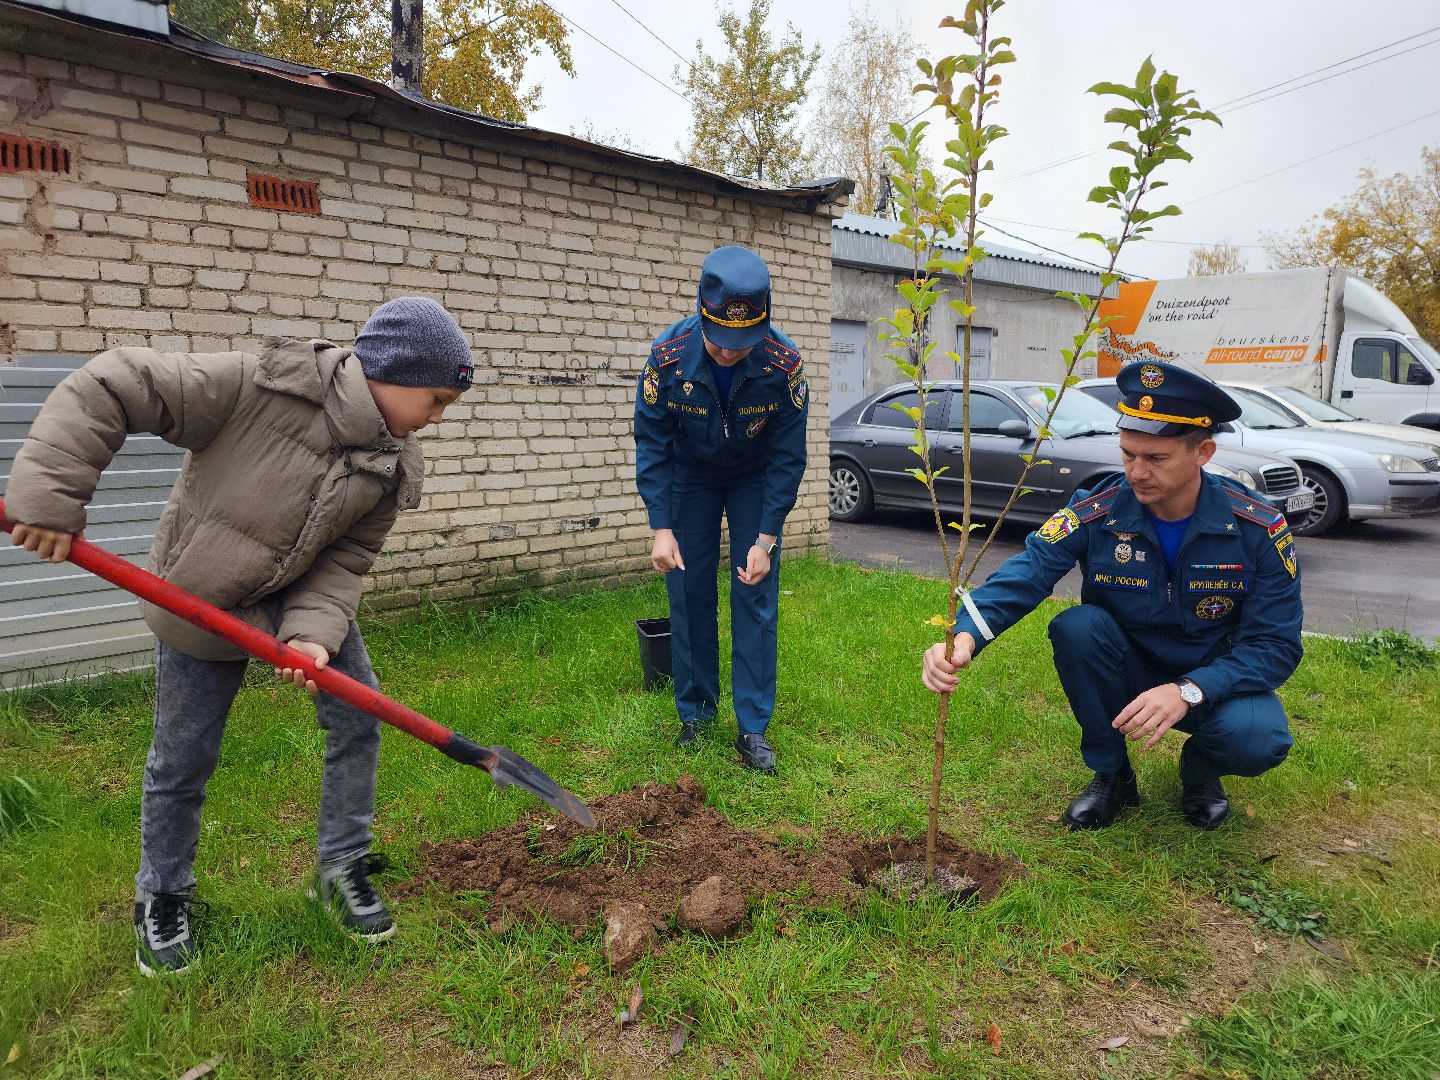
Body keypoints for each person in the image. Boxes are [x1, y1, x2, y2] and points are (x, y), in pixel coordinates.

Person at [6, 297, 473, 974]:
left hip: (298, 598)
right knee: (183, 758)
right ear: (389, 372)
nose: (436, 419)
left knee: (357, 721)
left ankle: (340, 867)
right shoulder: (260, 385)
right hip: (201, 596)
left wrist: (312, 635)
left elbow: (344, 560)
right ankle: (161, 896)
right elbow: (112, 383)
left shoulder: (394, 461)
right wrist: (50, 498)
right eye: (435, 400)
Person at [920, 361, 1302, 830]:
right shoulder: (1099, 507)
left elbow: (1275, 646)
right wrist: (964, 636)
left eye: (1155, 459)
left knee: (1257, 737)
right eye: (1128, 455)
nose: (1136, 472)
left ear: (1202, 451)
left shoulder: (1257, 526)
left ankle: (1201, 773)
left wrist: (1189, 690)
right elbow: (1032, 568)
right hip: (1130, 667)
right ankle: (1112, 775)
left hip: (1212, 677)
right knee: (1076, 628)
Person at [633, 246, 809, 773]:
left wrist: (766, 539)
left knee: (755, 590)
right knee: (687, 588)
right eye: (720, 341)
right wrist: (661, 527)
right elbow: (652, 443)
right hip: (692, 476)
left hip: (753, 475)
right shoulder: (666, 358)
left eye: (743, 343)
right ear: (702, 314)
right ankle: (695, 712)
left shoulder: (783, 365)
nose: (730, 353)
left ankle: (752, 727)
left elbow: (787, 456)